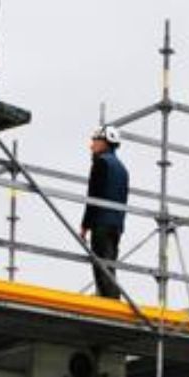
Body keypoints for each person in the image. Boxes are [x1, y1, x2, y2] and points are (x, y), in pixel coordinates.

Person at [80, 125, 129, 299]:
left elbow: (93, 196)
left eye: (95, 141)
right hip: (116, 225)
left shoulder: (101, 163)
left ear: (105, 143)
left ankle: (108, 300)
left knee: (101, 265)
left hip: (101, 222)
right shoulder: (122, 169)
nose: (91, 146)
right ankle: (109, 296)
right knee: (109, 263)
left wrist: (85, 225)